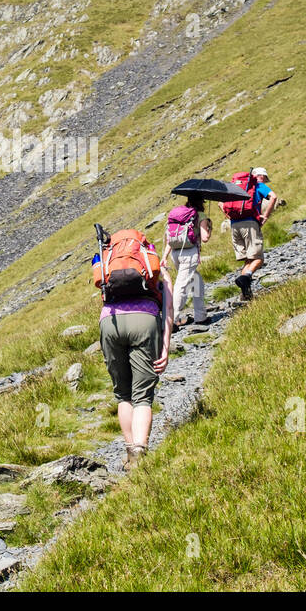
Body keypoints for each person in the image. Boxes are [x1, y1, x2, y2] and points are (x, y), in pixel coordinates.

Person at [95, 232, 174, 470]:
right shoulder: (153, 262)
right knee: (142, 395)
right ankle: (140, 452)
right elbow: (169, 308)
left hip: (110, 322)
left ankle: (130, 452)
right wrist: (166, 347)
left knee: (123, 394)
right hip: (144, 320)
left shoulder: (104, 257)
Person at [228, 167, 277, 301]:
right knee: (258, 258)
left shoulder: (235, 186)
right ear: (258, 175)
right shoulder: (258, 185)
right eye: (264, 177)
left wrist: (230, 217)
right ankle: (246, 276)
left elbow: (221, 203)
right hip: (250, 223)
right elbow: (274, 197)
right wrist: (265, 216)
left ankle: (245, 294)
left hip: (234, 225)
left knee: (248, 260)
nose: (264, 180)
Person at [166, 195, 211, 328]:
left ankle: (200, 316)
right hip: (189, 253)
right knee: (181, 285)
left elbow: (171, 237)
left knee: (197, 282)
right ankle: (171, 320)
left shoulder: (180, 214)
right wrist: (208, 227)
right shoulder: (200, 215)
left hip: (175, 253)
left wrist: (164, 257)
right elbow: (205, 238)